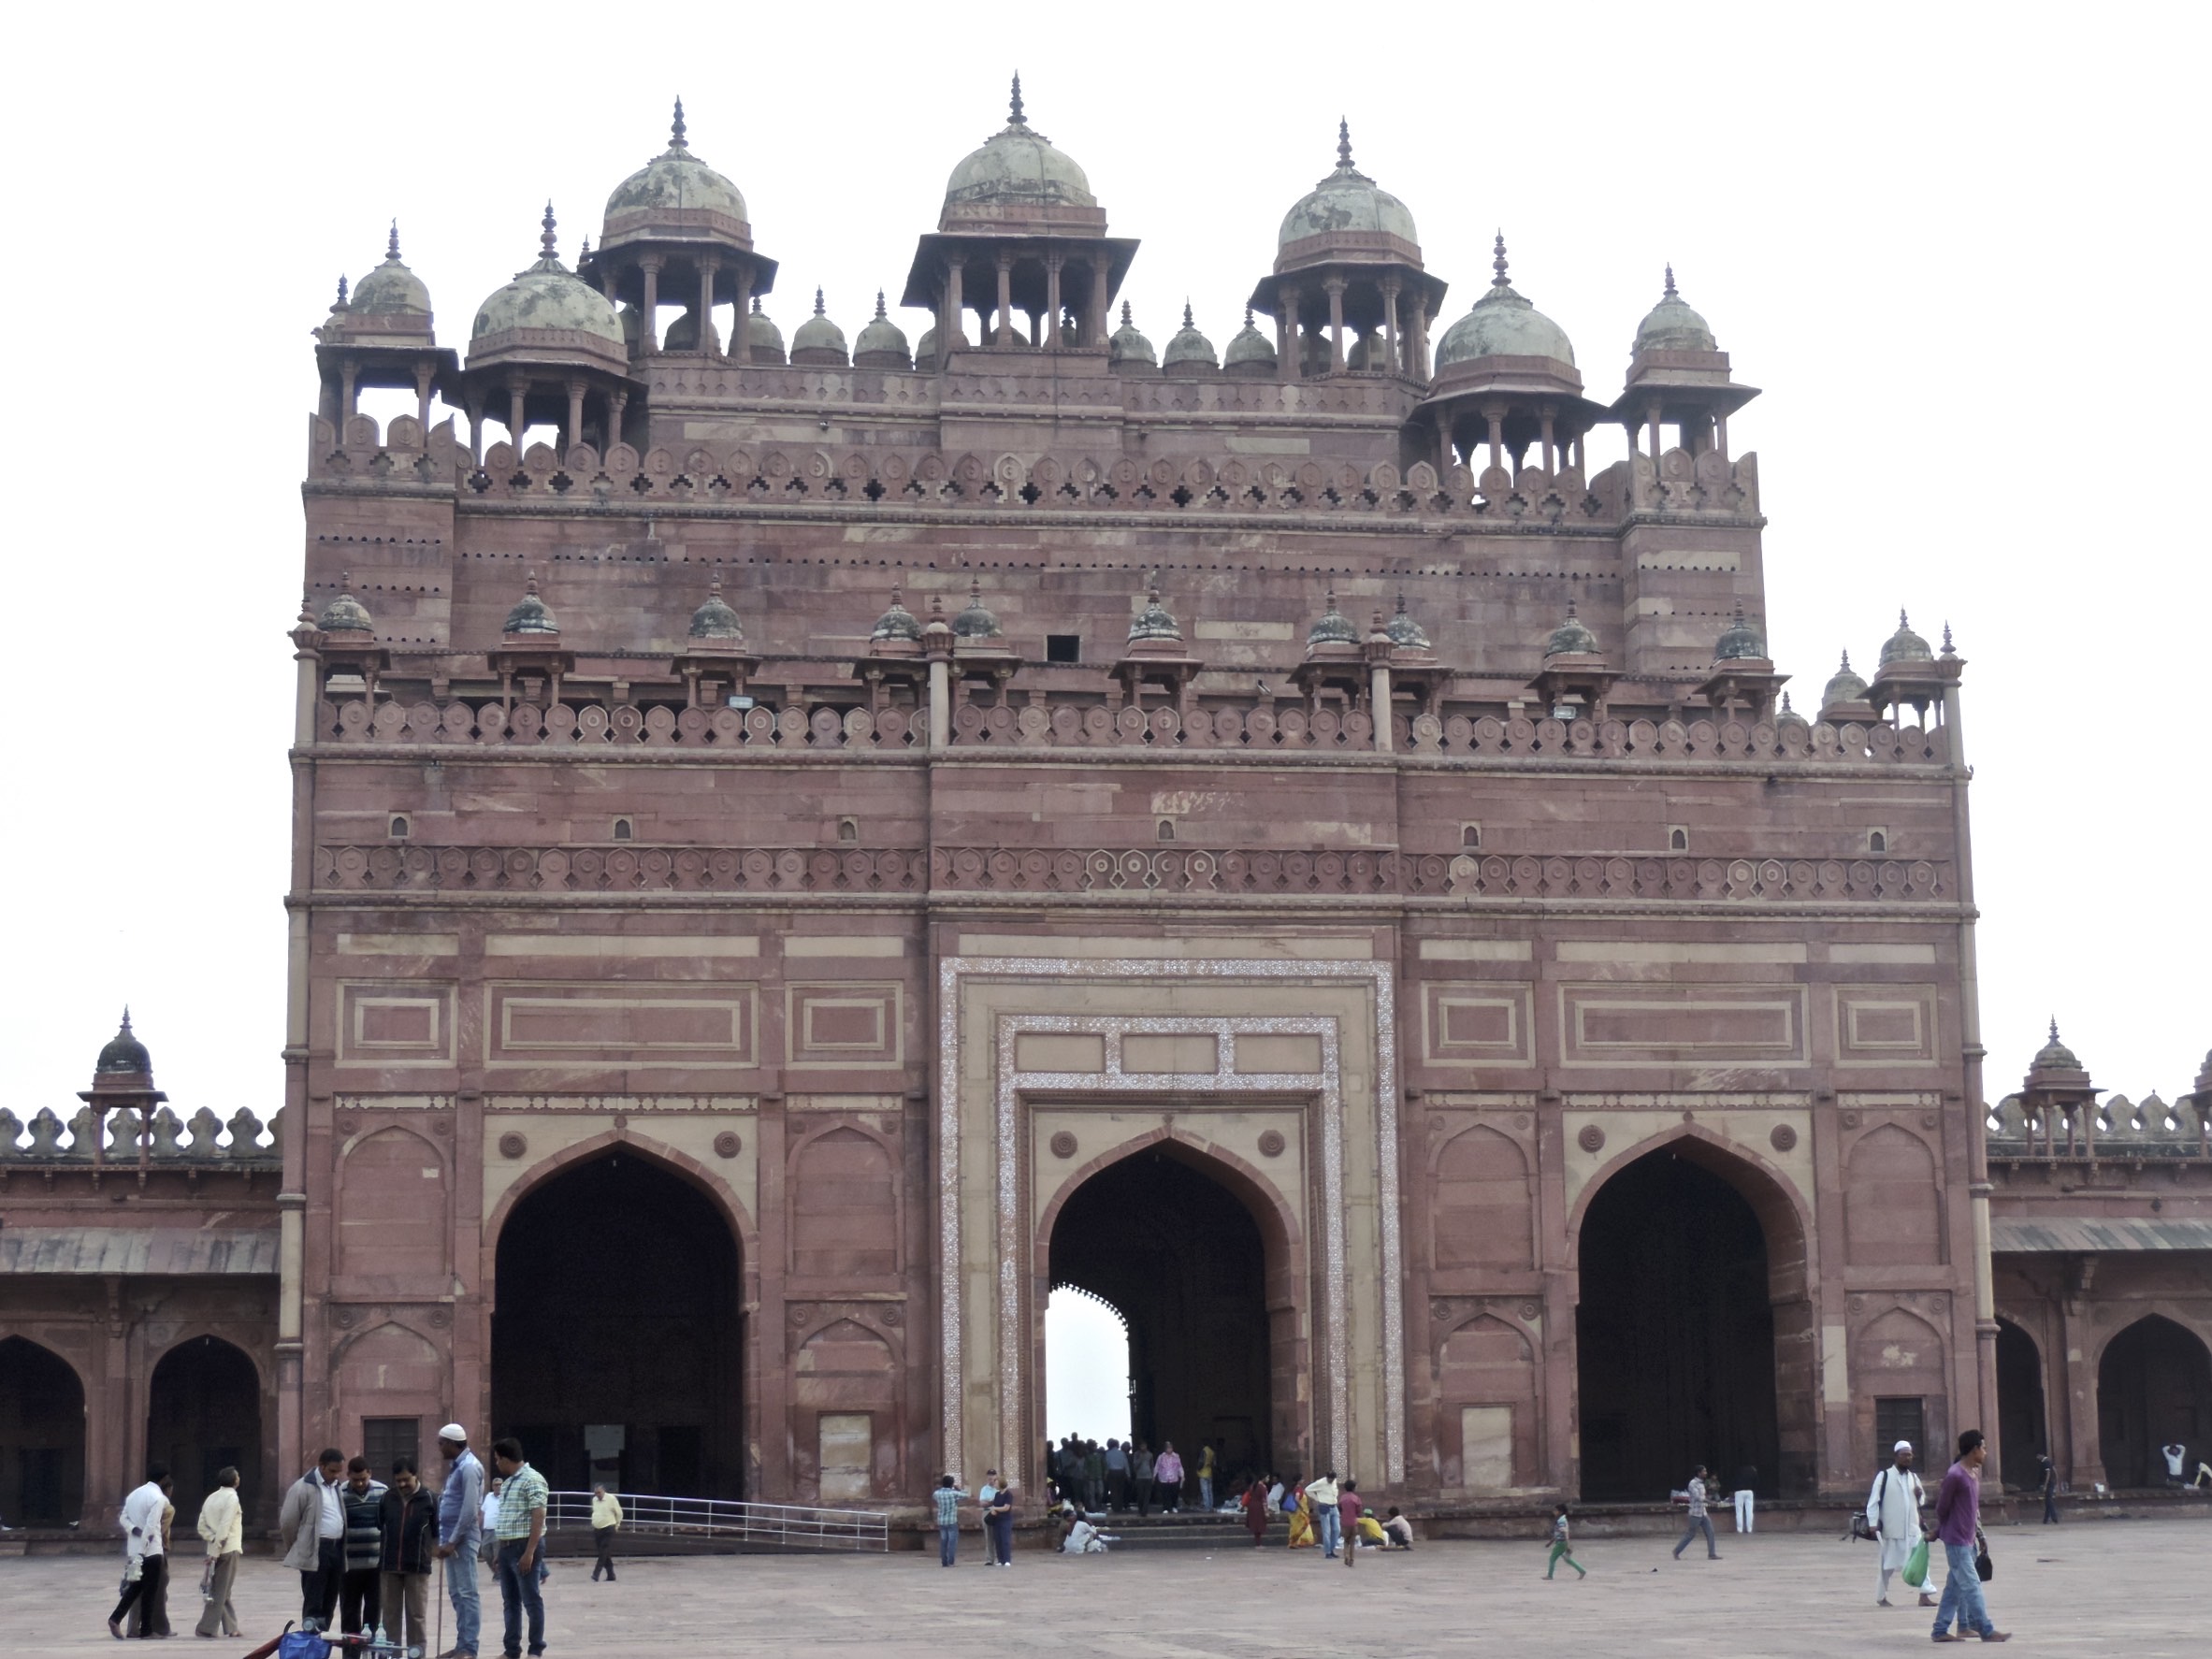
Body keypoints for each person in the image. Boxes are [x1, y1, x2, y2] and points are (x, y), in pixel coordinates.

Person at [1930, 1429, 2009, 1643]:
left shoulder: (1972, 1474)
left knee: (1954, 1588)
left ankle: (1939, 1630)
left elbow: (1972, 1511)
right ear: (1974, 1449)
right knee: (1972, 1584)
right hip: (1956, 1541)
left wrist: (1979, 1536)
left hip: (1968, 1539)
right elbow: (1942, 1508)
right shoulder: (1955, 1475)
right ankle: (1986, 1629)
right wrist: (1941, 1531)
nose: (1985, 1453)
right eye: (1983, 1448)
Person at [279, 1448, 349, 1631]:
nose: (335, 1475)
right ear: (321, 1466)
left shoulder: (336, 1487)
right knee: (314, 1600)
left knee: (330, 1600)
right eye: (332, 1471)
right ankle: (310, 1642)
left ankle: (321, 1639)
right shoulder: (302, 1487)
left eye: (338, 1471)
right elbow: (288, 1522)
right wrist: (299, 1547)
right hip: (316, 1549)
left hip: (336, 1548)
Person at [432, 1424, 486, 1659]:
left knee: (467, 1594)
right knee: (457, 1594)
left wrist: (452, 1541)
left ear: (453, 1443)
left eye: (441, 1443)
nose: (439, 1447)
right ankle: (462, 1643)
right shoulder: (458, 1468)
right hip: (452, 1540)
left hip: (462, 1541)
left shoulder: (469, 1468)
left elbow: (469, 1510)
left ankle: (469, 1648)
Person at [490, 1438, 547, 1659]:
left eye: (497, 1459)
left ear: (505, 1459)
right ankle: (511, 1650)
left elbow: (538, 1515)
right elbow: (507, 1517)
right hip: (506, 1548)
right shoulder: (508, 1483)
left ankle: (535, 1650)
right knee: (510, 1601)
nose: (496, 1464)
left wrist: (530, 1552)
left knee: (531, 1600)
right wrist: (499, 1552)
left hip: (524, 1545)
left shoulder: (532, 1479)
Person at [379, 1457, 439, 1659]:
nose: (402, 1484)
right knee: (390, 1617)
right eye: (398, 1481)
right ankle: (391, 1655)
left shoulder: (430, 1498)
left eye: (406, 1480)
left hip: (418, 1567)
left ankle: (417, 1655)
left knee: (417, 1616)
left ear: (416, 1475)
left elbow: (437, 1530)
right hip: (389, 1565)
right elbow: (381, 1525)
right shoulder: (387, 1498)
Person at [108, 1462, 170, 1640]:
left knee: (136, 1588)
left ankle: (115, 1618)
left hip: (134, 1548)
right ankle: (146, 1630)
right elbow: (151, 1527)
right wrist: (144, 1550)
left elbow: (123, 1517)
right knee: (149, 1590)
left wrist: (133, 1529)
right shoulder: (158, 1498)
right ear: (164, 1479)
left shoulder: (134, 1494)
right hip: (150, 1550)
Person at [1868, 1440, 1932, 1609]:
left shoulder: (1913, 1477)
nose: (1907, 1458)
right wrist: (1873, 1524)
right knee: (1886, 1567)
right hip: (1892, 1529)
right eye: (1904, 1455)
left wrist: (1920, 1495)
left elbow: (1922, 1500)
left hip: (1912, 1529)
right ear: (1896, 1456)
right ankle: (1881, 1597)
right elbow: (1873, 1502)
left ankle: (1924, 1595)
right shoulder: (1885, 1476)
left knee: (1920, 1561)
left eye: (1910, 1455)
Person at [193, 1465, 245, 1639]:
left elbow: (201, 1525)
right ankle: (206, 1627)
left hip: (217, 1547)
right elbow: (225, 1525)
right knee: (220, 1591)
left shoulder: (211, 1498)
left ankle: (232, 1627)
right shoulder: (232, 1498)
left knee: (223, 1589)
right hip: (228, 1548)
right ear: (235, 1480)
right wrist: (217, 1547)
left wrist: (213, 1541)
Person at [339, 1456, 389, 1637]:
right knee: (349, 1612)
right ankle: (351, 1654)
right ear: (348, 1475)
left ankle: (372, 1652)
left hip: (375, 1565)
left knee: (374, 1612)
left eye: (363, 1479)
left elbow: (387, 1524)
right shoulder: (340, 1492)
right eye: (355, 1480)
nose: (359, 1483)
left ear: (370, 1474)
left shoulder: (382, 1491)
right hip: (349, 1565)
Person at [129, 1473, 177, 1637]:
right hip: (155, 1551)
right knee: (158, 1590)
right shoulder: (166, 1507)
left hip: (135, 1549)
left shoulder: (137, 1498)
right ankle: (160, 1627)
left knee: (136, 1588)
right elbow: (158, 1531)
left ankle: (133, 1628)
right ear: (167, 1488)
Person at [1670, 1464, 1719, 1562]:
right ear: (1699, 1473)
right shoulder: (1692, 1483)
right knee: (1691, 1534)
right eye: (1704, 1471)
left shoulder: (1701, 1483)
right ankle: (1676, 1551)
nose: (1706, 1473)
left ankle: (1712, 1554)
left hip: (1703, 1512)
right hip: (1695, 1513)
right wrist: (1710, 1502)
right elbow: (1698, 1497)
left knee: (1710, 1532)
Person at [932, 1475, 968, 1567]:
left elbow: (934, 1497)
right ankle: (951, 1562)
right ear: (952, 1484)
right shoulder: (953, 1493)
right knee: (952, 1542)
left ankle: (944, 1562)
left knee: (943, 1541)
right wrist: (959, 1489)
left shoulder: (937, 1493)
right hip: (951, 1520)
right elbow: (966, 1495)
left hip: (941, 1521)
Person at [1304, 1470, 1341, 1560]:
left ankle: (1332, 1549)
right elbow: (1307, 1489)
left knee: (1337, 1529)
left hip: (1334, 1506)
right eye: (1329, 1479)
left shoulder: (1334, 1481)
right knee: (1326, 1531)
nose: (1331, 1481)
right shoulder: (1320, 1483)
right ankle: (1328, 1552)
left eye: (1332, 1479)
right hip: (1324, 1506)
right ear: (1327, 1477)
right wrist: (1317, 1499)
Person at [588, 1485, 622, 1582]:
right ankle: (611, 1575)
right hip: (597, 1528)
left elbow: (619, 1513)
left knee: (603, 1550)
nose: (597, 1495)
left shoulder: (611, 1499)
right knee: (603, 1552)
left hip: (609, 1527)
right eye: (596, 1493)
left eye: (599, 1492)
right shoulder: (594, 1500)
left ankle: (596, 1573)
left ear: (603, 1491)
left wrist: (617, 1525)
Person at [1545, 1503, 1586, 1580]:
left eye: (1555, 1510)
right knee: (1567, 1559)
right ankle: (1582, 1570)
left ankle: (1550, 1576)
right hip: (1561, 1542)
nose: (1554, 1512)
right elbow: (1559, 1533)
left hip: (1561, 1543)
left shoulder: (1561, 1520)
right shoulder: (1562, 1519)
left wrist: (1567, 1543)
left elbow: (1564, 1532)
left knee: (1552, 1559)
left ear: (1560, 1512)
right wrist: (1550, 1542)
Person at [984, 1481, 1015, 1566]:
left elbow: (1006, 1508)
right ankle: (1000, 1559)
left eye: (996, 1483)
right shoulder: (997, 1494)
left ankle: (1007, 1559)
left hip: (1005, 1519)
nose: (995, 1485)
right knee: (998, 1540)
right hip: (997, 1520)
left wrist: (995, 1508)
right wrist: (993, 1510)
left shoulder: (1008, 1494)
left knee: (1005, 1540)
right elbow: (994, 1504)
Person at [1336, 1479, 1365, 1569]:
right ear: (1353, 1488)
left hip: (1344, 1522)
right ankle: (1352, 1559)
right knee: (1352, 1542)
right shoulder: (1356, 1498)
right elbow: (1359, 1511)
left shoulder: (1342, 1498)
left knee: (1346, 1541)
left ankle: (1346, 1556)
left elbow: (1339, 1508)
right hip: (1353, 1522)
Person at [1241, 1473, 1273, 1546]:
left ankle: (1257, 1543)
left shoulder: (1253, 1486)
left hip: (1252, 1506)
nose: (1268, 1479)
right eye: (1267, 1477)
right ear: (1263, 1478)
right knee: (1259, 1525)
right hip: (1259, 1507)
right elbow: (1264, 1500)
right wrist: (1266, 1511)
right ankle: (1258, 1543)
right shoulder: (1262, 1487)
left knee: (1256, 1525)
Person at [1153, 1443, 1184, 1513]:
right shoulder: (1161, 1457)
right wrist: (1154, 1475)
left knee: (1174, 1493)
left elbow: (1179, 1466)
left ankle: (1174, 1506)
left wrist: (1182, 1475)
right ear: (1165, 1449)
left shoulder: (1176, 1456)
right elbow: (1157, 1466)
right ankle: (1165, 1508)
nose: (1169, 1449)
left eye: (1170, 1448)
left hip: (1174, 1477)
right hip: (1164, 1478)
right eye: (1168, 1448)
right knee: (1165, 1494)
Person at [1104, 1439, 1129, 1511]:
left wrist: (1105, 1475)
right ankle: (1120, 1506)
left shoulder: (1108, 1454)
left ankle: (1115, 1507)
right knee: (1120, 1490)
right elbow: (1125, 1464)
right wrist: (1128, 1474)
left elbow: (1107, 1465)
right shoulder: (1122, 1453)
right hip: (1121, 1472)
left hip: (1112, 1472)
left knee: (1113, 1491)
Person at [1130, 1443, 1155, 1517]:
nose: (1143, 1448)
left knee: (1147, 1495)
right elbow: (1135, 1466)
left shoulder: (1150, 1455)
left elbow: (1152, 1466)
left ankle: (1145, 1511)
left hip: (1148, 1477)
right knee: (1140, 1495)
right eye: (1142, 1446)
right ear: (1140, 1447)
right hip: (1140, 1477)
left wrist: (1153, 1476)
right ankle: (1141, 1509)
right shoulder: (1137, 1454)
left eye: (1144, 1446)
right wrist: (1140, 1459)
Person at [1733, 1463, 1757, 1535]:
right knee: (1749, 1511)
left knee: (1739, 1511)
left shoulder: (1737, 1470)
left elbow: (1733, 1480)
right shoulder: (1753, 1470)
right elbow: (1756, 1481)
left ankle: (1739, 1529)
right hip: (1749, 1491)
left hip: (1739, 1491)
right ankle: (1749, 1529)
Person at [2037, 1453, 2060, 1525]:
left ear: (2040, 1455)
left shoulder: (2045, 1462)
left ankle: (2054, 1518)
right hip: (2052, 1483)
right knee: (2047, 1501)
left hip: (2049, 1484)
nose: (2037, 1458)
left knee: (2049, 1501)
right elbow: (2055, 1471)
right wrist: (2056, 1481)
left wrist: (2045, 1485)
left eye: (2037, 1457)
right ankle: (2045, 1520)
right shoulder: (2049, 1461)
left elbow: (2048, 1473)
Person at [1197, 1441, 1217, 1512]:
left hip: (1203, 1472)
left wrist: (1198, 1469)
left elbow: (1201, 1462)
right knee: (1210, 1491)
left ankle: (1207, 1507)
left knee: (1204, 1491)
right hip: (1209, 1472)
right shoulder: (1212, 1452)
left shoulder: (1204, 1451)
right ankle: (1211, 1506)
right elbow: (1214, 1464)